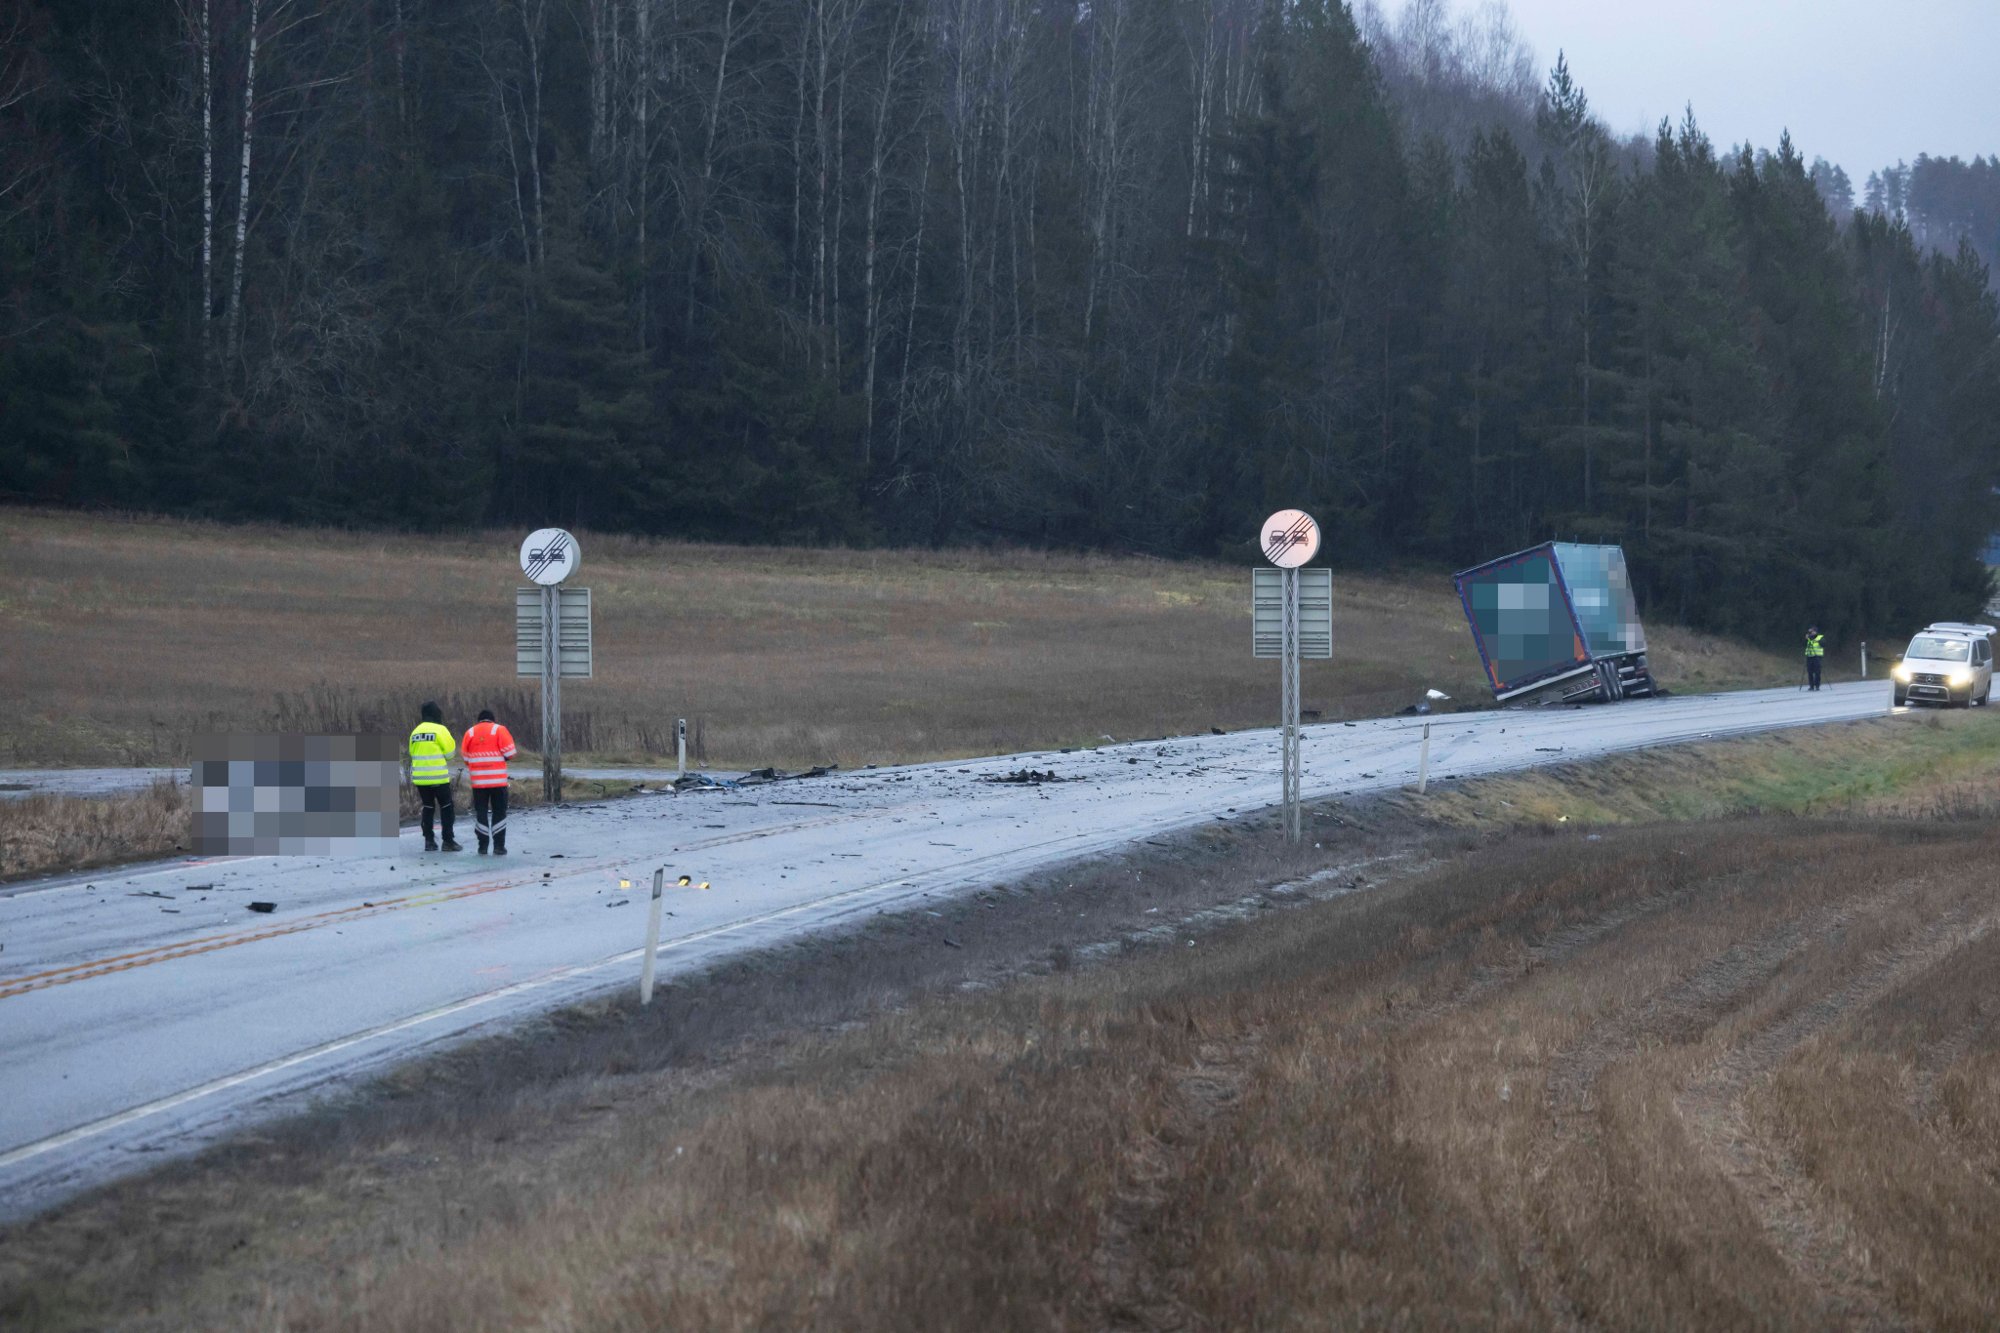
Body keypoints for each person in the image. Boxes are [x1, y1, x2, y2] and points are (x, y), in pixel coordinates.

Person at [461, 708, 518, 855]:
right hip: (498, 781)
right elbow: (511, 753)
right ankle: (499, 846)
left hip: (478, 782)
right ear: (492, 719)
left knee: (481, 812)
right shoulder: (499, 730)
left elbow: (466, 759)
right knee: (499, 812)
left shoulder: (470, 733)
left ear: (479, 720)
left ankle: (482, 846)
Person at [407, 701, 461, 851]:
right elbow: (450, 755)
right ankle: (448, 841)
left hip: (420, 778)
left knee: (428, 807)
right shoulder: (440, 730)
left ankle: (429, 841)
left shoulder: (415, 731)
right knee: (446, 807)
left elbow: (412, 753)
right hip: (438, 777)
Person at [1805, 625, 1825, 691]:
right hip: (1809, 656)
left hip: (1817, 656)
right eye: (1811, 632)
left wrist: (1815, 640)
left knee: (1817, 672)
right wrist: (1808, 637)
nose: (1811, 633)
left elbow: (1823, 644)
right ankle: (1811, 686)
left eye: (1813, 631)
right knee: (1810, 672)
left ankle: (1817, 685)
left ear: (1816, 632)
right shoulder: (1808, 638)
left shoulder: (1820, 637)